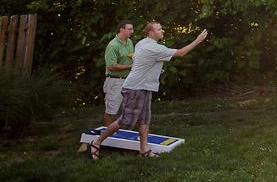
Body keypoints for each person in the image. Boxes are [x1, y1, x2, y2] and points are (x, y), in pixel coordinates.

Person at [89, 22, 208, 159]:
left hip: (145, 87)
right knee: (126, 121)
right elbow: (181, 53)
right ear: (151, 33)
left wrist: (154, 67)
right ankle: (96, 142)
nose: (162, 30)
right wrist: (198, 40)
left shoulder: (141, 43)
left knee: (145, 119)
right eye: (159, 29)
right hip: (135, 87)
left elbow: (137, 58)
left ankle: (144, 150)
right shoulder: (154, 48)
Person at [103, 20, 134, 126]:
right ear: (122, 30)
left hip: (128, 81)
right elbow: (111, 66)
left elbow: (134, 59)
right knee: (111, 110)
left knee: (128, 109)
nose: (132, 31)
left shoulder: (129, 42)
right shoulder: (113, 45)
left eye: (132, 29)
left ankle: (124, 131)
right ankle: (106, 132)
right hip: (115, 81)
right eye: (129, 29)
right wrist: (129, 67)